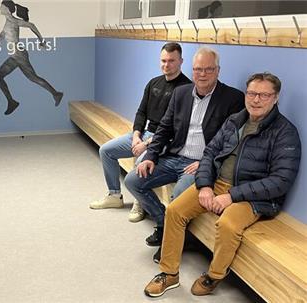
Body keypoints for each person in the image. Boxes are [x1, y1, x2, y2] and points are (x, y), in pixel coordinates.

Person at [143, 72, 301, 297]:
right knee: (175, 210)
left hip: (252, 196)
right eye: (252, 93)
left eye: (264, 95)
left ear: (275, 98)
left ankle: (215, 275)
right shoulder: (235, 120)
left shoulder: (285, 132)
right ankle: (169, 274)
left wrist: (232, 196)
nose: (256, 100)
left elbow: (280, 181)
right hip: (217, 184)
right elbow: (209, 153)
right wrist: (206, 185)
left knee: (227, 224)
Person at [125, 46, 245, 262]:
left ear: (218, 71)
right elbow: (164, 128)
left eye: (209, 69)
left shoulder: (233, 99)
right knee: (133, 180)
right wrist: (151, 156)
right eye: (198, 69)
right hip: (174, 157)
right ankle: (165, 225)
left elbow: (231, 142)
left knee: (177, 197)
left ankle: (171, 240)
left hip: (200, 164)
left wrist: (206, 163)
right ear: (192, 69)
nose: (202, 74)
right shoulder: (181, 93)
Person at [89, 42, 192, 224]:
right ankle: (114, 195)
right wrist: (136, 135)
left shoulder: (186, 89)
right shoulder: (154, 83)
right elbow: (141, 112)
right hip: (143, 133)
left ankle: (140, 203)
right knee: (106, 150)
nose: (166, 65)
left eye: (171, 61)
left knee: (140, 162)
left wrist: (147, 143)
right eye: (163, 60)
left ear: (181, 61)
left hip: (163, 141)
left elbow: (176, 129)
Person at [0, 0, 63, 115]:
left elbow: (32, 25)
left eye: (1, 6)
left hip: (19, 55)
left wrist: (42, 41)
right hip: (15, 55)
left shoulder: (14, 21)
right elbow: (0, 38)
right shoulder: (7, 22)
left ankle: (56, 94)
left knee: (33, 78)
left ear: (7, 8)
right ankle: (12, 102)